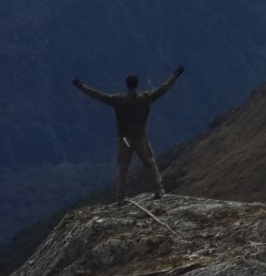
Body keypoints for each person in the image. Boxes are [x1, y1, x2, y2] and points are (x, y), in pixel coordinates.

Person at [73, 66, 184, 202]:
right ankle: (158, 190)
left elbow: (98, 95)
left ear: (127, 85)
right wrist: (175, 74)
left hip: (125, 139)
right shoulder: (145, 98)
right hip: (141, 138)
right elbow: (163, 89)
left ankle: (121, 196)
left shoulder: (119, 100)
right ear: (137, 85)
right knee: (149, 164)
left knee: (123, 168)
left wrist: (82, 86)